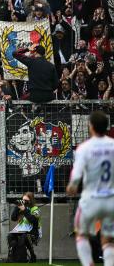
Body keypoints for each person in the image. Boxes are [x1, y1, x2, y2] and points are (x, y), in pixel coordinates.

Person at [66, 110, 114, 266]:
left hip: (90, 200)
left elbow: (77, 174)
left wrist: (72, 187)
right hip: (110, 200)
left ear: (91, 126)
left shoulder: (84, 148)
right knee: (108, 240)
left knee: (81, 235)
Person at [7, 191, 40, 262]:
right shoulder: (21, 207)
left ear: (31, 200)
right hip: (20, 231)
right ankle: (11, 257)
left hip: (33, 232)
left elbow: (33, 220)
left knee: (24, 236)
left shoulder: (35, 209)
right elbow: (13, 218)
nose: (24, 202)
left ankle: (31, 256)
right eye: (23, 200)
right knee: (10, 236)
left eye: (26, 200)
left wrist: (24, 210)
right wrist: (17, 207)